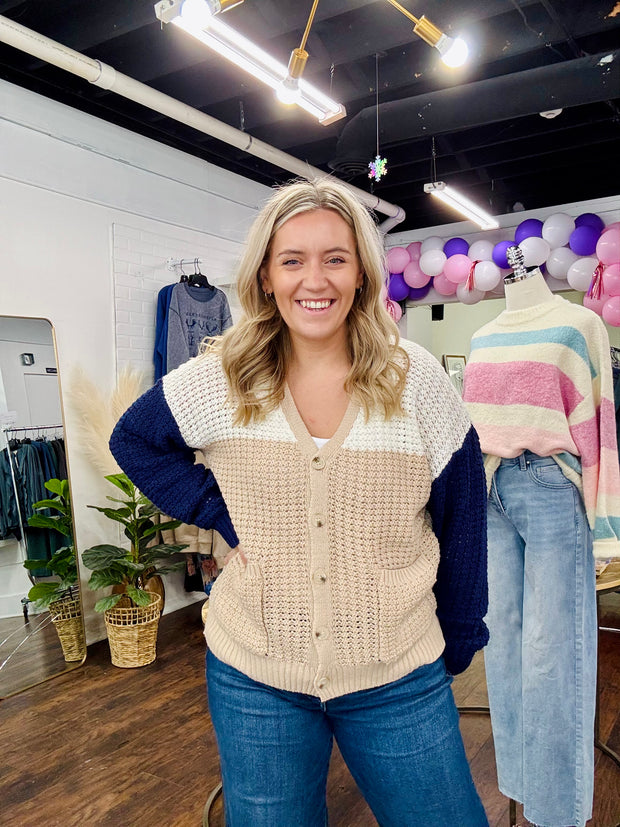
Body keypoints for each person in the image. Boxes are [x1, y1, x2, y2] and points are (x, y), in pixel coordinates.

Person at [109, 177, 489, 826]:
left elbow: (463, 518)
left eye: (335, 258)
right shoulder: (223, 375)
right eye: (292, 260)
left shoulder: (413, 378)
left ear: (363, 275)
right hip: (255, 674)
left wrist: (457, 638)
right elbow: (135, 439)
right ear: (264, 276)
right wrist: (221, 510)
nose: (315, 279)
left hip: (397, 672)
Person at [463, 252, 620, 827]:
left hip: (552, 485)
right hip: (489, 489)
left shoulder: (581, 326)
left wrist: (607, 530)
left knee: (556, 648)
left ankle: (558, 809)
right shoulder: (482, 336)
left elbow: (600, 424)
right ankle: (520, 784)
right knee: (502, 639)